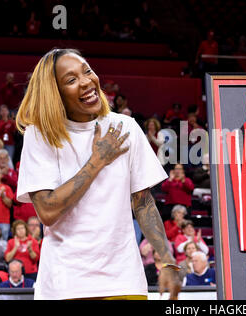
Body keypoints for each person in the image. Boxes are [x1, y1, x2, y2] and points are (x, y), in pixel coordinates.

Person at [15, 48, 180, 300]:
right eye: (71, 80)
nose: (86, 82)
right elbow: (47, 212)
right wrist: (97, 161)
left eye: (87, 71)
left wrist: (167, 260)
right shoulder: (40, 135)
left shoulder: (125, 127)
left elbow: (144, 203)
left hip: (124, 279)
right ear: (54, 94)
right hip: (64, 283)